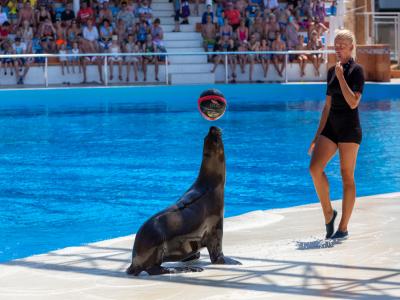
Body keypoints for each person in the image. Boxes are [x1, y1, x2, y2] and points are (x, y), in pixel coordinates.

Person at [308, 29, 365, 240]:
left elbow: (353, 103)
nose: (338, 49)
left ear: (351, 47)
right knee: (314, 168)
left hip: (350, 129)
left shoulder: (357, 71)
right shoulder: (332, 70)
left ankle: (343, 228)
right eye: (336, 45)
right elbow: (327, 106)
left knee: (346, 176)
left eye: (342, 45)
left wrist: (342, 78)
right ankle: (328, 213)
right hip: (331, 127)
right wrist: (317, 135)